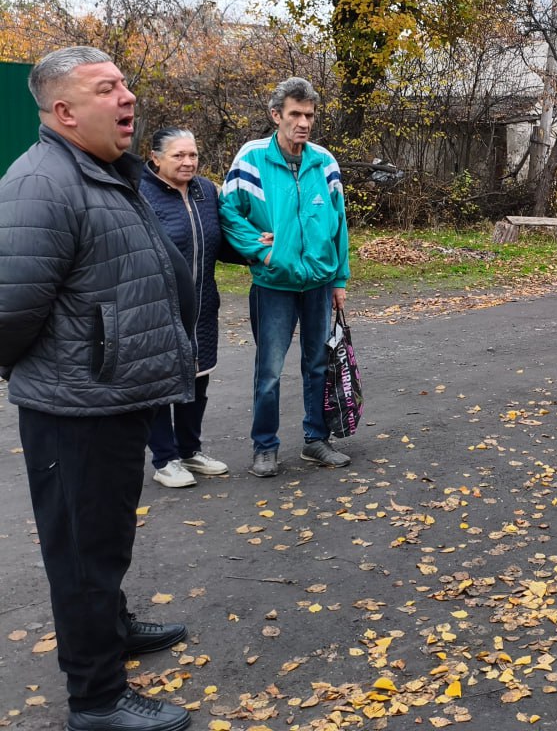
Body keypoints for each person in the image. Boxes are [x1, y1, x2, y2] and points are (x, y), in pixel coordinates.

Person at [0, 47, 193, 731]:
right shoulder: (41, 185)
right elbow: (7, 310)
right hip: (72, 410)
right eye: (107, 88)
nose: (128, 97)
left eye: (126, 84)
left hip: (111, 398)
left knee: (105, 540)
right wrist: (56, 372)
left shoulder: (103, 172)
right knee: (82, 552)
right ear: (64, 111)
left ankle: (111, 628)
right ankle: (97, 698)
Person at [220, 76, 352, 477]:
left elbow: (339, 224)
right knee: (270, 370)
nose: (303, 122)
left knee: (316, 364)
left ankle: (316, 440)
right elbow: (228, 212)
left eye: (309, 115)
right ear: (276, 115)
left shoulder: (324, 162)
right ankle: (265, 447)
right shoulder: (252, 158)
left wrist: (340, 279)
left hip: (317, 283)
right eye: (295, 114)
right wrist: (261, 250)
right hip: (273, 285)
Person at [139, 127, 231, 488]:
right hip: (157, 307)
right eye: (179, 155)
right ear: (156, 157)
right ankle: (165, 459)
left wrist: (255, 246)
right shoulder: (139, 193)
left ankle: (190, 450)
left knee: (197, 379)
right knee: (163, 382)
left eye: (193, 155)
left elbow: (219, 242)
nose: (188, 162)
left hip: (203, 303)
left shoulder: (206, 190)